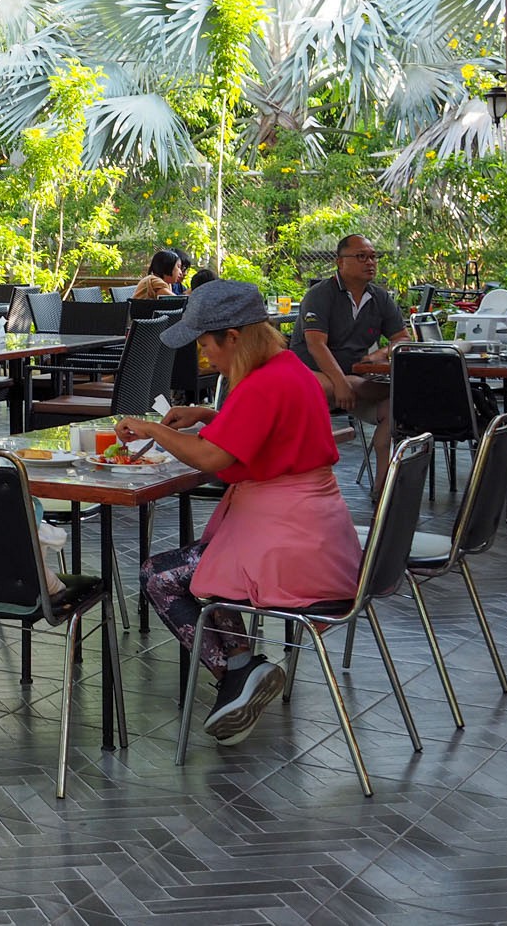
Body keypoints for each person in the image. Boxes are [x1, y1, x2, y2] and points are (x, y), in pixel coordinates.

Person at [116, 280, 362, 747]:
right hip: (315, 531)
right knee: (199, 569)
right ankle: (242, 670)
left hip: (288, 544)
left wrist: (150, 427)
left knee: (159, 576)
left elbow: (211, 460)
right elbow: (262, 433)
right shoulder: (290, 369)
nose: (206, 356)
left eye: (207, 344)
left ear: (234, 336)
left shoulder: (261, 385)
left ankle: (239, 669)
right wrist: (208, 416)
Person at [290, 233, 409, 474]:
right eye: (361, 256)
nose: (370, 262)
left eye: (373, 257)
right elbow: (316, 345)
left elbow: (403, 339)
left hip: (354, 379)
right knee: (340, 386)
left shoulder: (380, 298)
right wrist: (341, 382)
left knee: (395, 403)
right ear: (340, 262)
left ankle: (382, 487)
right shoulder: (320, 295)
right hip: (309, 374)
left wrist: (379, 354)